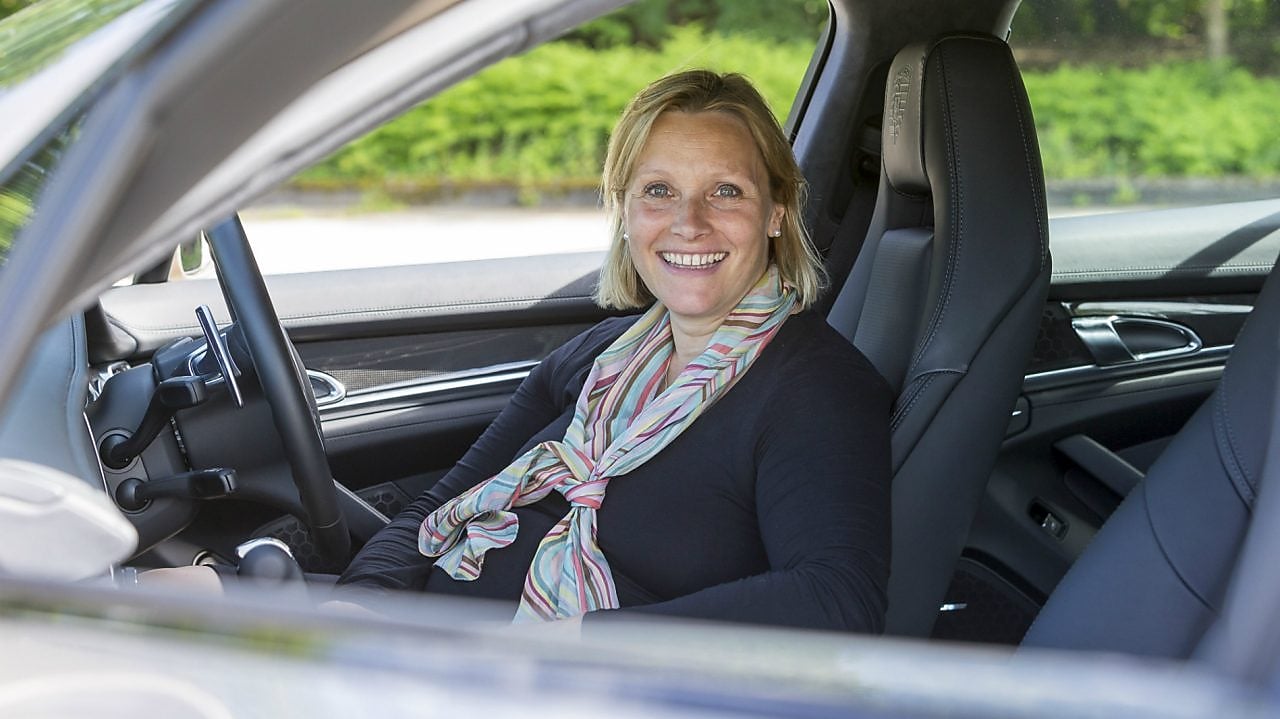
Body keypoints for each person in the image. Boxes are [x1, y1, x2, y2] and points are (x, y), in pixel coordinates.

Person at [334, 69, 893, 633]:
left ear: (775, 211)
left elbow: (836, 598)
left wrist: (583, 643)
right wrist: (358, 601)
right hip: (428, 659)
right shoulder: (600, 354)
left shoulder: (816, 389)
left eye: (725, 191)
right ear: (625, 213)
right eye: (658, 191)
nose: (689, 223)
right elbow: (440, 505)